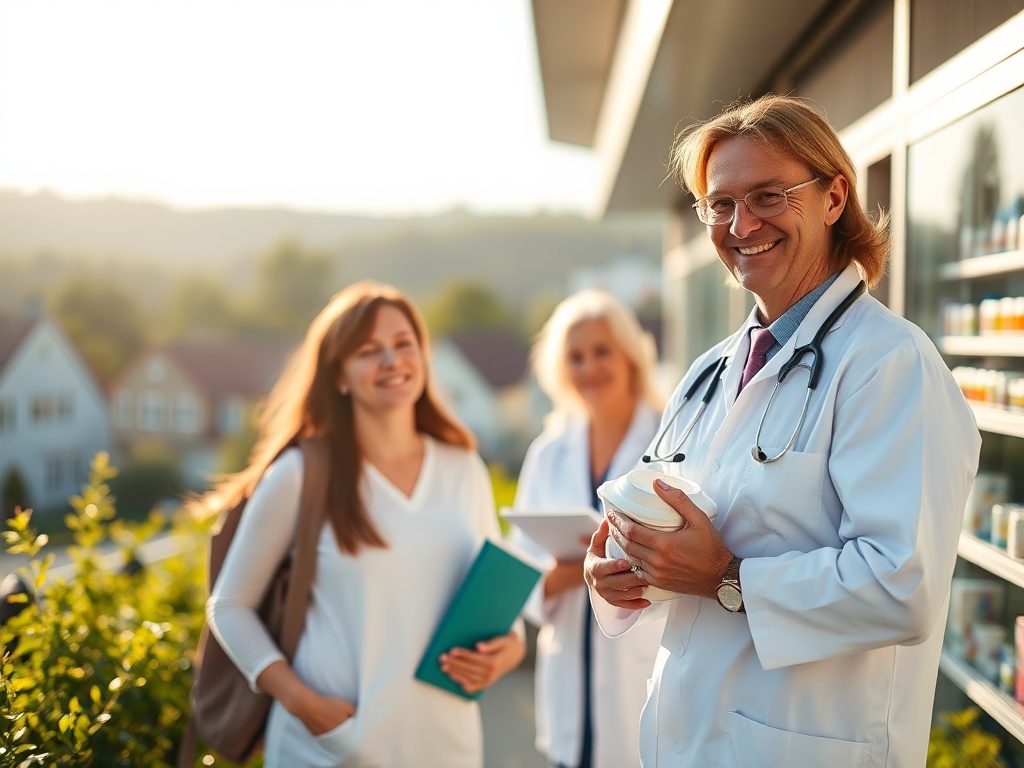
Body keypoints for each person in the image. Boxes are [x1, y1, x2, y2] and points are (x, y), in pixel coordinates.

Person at [583, 95, 981, 767]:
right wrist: (619, 571)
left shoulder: (889, 364)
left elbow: (901, 587)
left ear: (833, 198)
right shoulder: (709, 373)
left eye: (769, 196)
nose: (741, 224)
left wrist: (728, 577)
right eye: (720, 204)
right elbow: (664, 526)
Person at [205, 280, 525, 768]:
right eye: (368, 351)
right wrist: (301, 702)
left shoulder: (464, 467)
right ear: (339, 376)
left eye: (403, 345)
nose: (392, 362)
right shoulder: (300, 476)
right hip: (331, 750)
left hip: (445, 747)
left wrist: (509, 649)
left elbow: (495, 597)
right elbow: (229, 606)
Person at [511, 289, 666, 768]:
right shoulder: (548, 452)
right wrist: (575, 569)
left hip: (642, 677)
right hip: (567, 684)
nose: (590, 367)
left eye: (602, 351)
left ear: (630, 355)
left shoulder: (670, 441)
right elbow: (520, 572)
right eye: (575, 357)